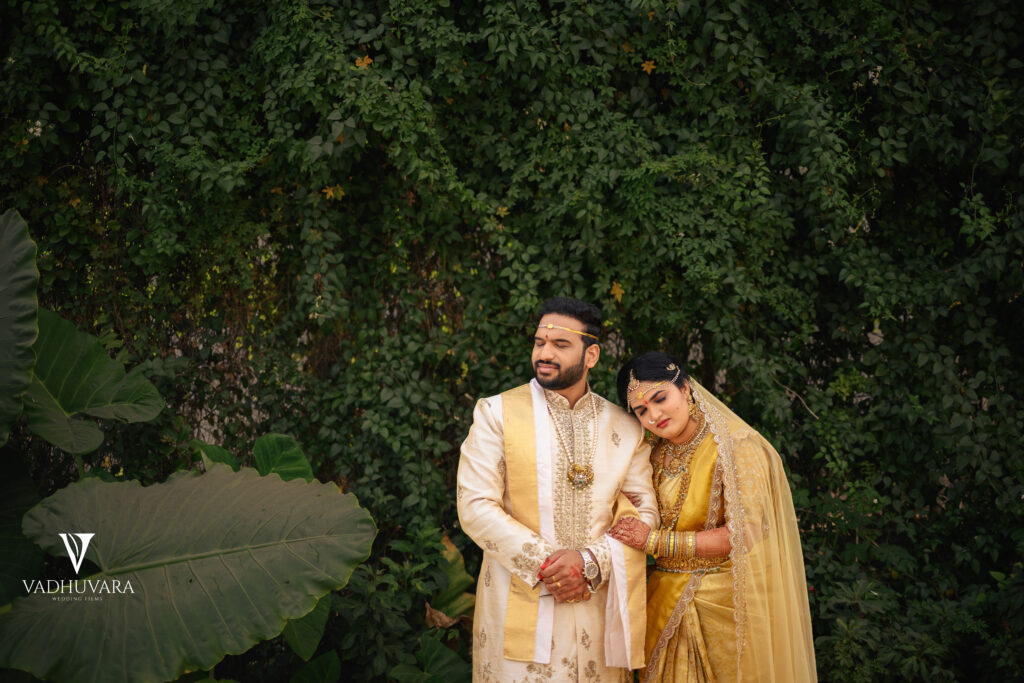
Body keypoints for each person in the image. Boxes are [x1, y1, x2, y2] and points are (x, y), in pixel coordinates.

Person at [457, 297, 660, 682]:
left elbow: (644, 514)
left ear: (591, 355)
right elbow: (475, 506)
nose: (544, 353)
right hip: (521, 601)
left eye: (560, 344)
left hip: (596, 611)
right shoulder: (496, 414)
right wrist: (551, 565)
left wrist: (588, 563)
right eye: (539, 343)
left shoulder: (625, 428)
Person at [608, 352, 817, 682]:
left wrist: (654, 541)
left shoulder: (737, 446)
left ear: (685, 388)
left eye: (660, 398)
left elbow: (746, 533)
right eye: (642, 410)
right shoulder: (651, 453)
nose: (654, 415)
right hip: (662, 604)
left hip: (723, 609)